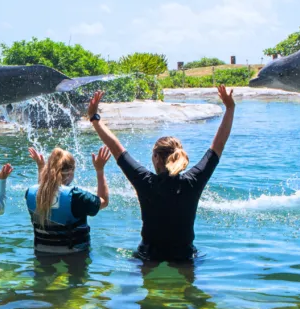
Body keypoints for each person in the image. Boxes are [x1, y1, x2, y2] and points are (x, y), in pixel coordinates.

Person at [86, 84, 236, 261]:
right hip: (183, 254)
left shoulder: (145, 180)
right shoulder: (193, 180)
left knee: (140, 285)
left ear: (156, 157)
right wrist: (230, 108)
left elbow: (116, 148)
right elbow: (218, 145)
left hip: (149, 254)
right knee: (189, 287)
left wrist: (94, 118)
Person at [25, 145, 111, 254]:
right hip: (74, 255)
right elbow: (104, 200)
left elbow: (44, 192)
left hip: (42, 252)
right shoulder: (76, 196)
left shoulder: (30, 193)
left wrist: (40, 166)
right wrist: (100, 170)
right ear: (70, 172)